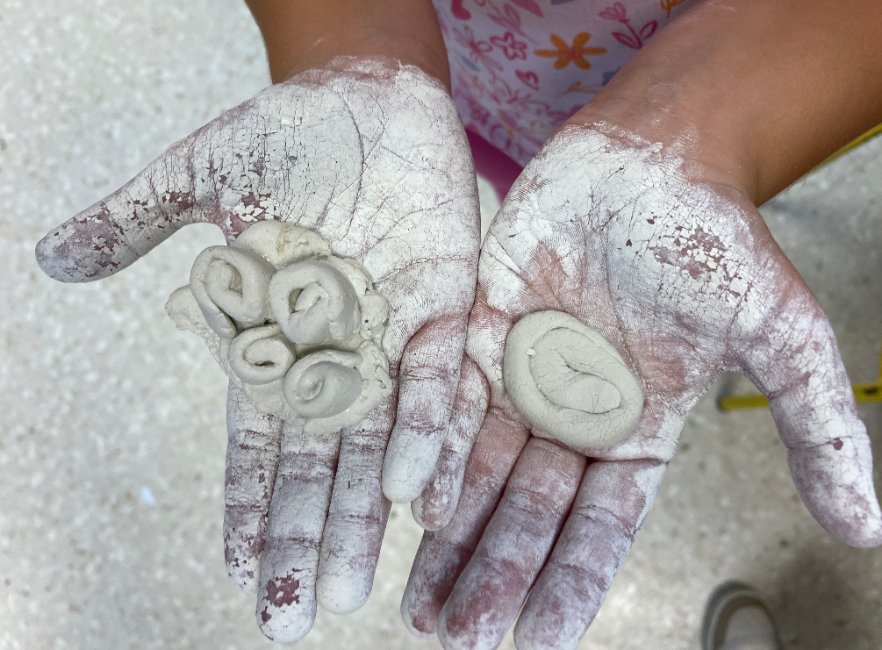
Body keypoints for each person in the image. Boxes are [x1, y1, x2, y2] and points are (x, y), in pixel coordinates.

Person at [35, 0, 882, 647]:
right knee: (524, 162)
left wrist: (711, 126)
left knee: (567, 178)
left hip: (773, 60)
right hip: (482, 55)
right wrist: (360, 47)